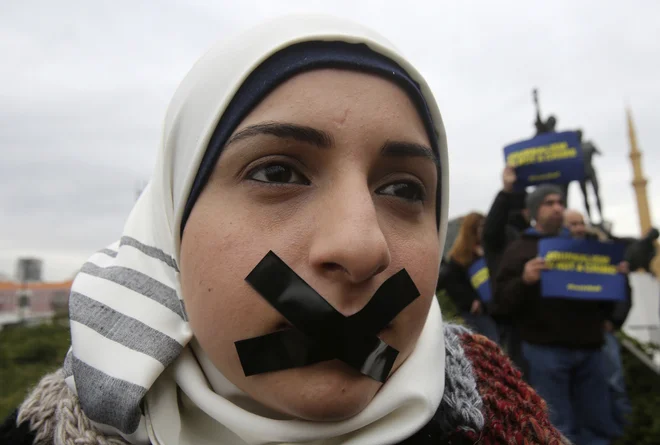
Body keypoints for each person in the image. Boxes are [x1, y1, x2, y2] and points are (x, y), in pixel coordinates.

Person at [1, 15, 569, 445]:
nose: (361, 246)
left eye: (402, 189)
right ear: (173, 223)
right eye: (277, 173)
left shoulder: (503, 410)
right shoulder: (44, 432)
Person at [494, 185, 620, 445]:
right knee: (558, 430)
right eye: (549, 203)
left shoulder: (582, 245)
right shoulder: (519, 250)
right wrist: (524, 280)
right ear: (534, 211)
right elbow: (501, 303)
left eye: (560, 202)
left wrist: (614, 278)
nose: (557, 207)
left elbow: (606, 300)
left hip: (590, 349)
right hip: (545, 353)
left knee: (597, 425)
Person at [564, 210, 633, 437]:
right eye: (573, 224)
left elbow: (623, 294)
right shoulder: (556, 256)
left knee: (614, 385)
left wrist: (613, 321)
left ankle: (628, 433)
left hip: (601, 334)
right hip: (571, 338)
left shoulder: (603, 253)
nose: (579, 228)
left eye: (581, 223)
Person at [481, 166, 530, 373]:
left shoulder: (534, 237)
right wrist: (506, 192)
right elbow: (491, 229)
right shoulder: (504, 235)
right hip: (512, 318)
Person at [437, 212, 499, 342]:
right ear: (472, 229)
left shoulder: (489, 249)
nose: (484, 229)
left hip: (494, 305)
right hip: (478, 312)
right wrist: (470, 301)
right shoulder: (460, 256)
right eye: (480, 225)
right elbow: (451, 282)